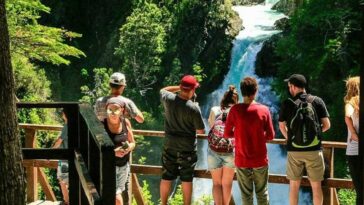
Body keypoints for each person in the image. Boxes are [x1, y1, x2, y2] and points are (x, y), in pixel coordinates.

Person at [278, 74, 330, 205]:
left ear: (294, 87)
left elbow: (281, 125)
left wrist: (290, 138)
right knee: (316, 187)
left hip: (294, 150)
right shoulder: (317, 101)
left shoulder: (287, 103)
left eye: (289, 86)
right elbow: (327, 125)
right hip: (314, 150)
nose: (289, 89)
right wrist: (315, 134)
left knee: (294, 187)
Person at [224, 77, 275, 205]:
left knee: (246, 195)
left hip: (242, 159)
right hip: (260, 159)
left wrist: (240, 134)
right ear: (256, 91)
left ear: (241, 92)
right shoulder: (264, 110)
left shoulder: (235, 110)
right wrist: (258, 136)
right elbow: (271, 135)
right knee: (262, 193)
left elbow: (227, 133)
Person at [159, 75, 205, 205]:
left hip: (169, 145)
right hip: (187, 148)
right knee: (186, 179)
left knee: (166, 176)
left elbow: (163, 90)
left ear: (181, 88)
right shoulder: (193, 108)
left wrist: (178, 88)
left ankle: (163, 203)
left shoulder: (169, 99)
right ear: (191, 90)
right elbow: (201, 131)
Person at [207, 85, 238, 205]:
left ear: (223, 98)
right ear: (236, 100)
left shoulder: (215, 110)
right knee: (227, 184)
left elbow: (211, 127)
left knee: (216, 183)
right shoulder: (238, 112)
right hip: (230, 151)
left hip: (214, 150)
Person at [104, 97, 135, 205]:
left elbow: (132, 142)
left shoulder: (125, 122)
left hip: (123, 167)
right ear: (106, 109)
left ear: (122, 110)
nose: (112, 112)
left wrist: (128, 148)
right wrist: (113, 152)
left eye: (116, 109)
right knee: (117, 196)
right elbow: (95, 149)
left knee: (117, 194)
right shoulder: (101, 126)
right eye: (110, 109)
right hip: (108, 167)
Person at [343, 76, 362, 205]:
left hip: (354, 151)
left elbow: (347, 115)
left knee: (360, 190)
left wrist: (353, 133)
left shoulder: (351, 102)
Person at [52, 110, 69, 205]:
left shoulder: (66, 126)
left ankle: (67, 201)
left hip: (64, 158)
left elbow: (59, 141)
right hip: (70, 157)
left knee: (62, 180)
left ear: (65, 115)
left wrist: (51, 150)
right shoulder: (76, 125)